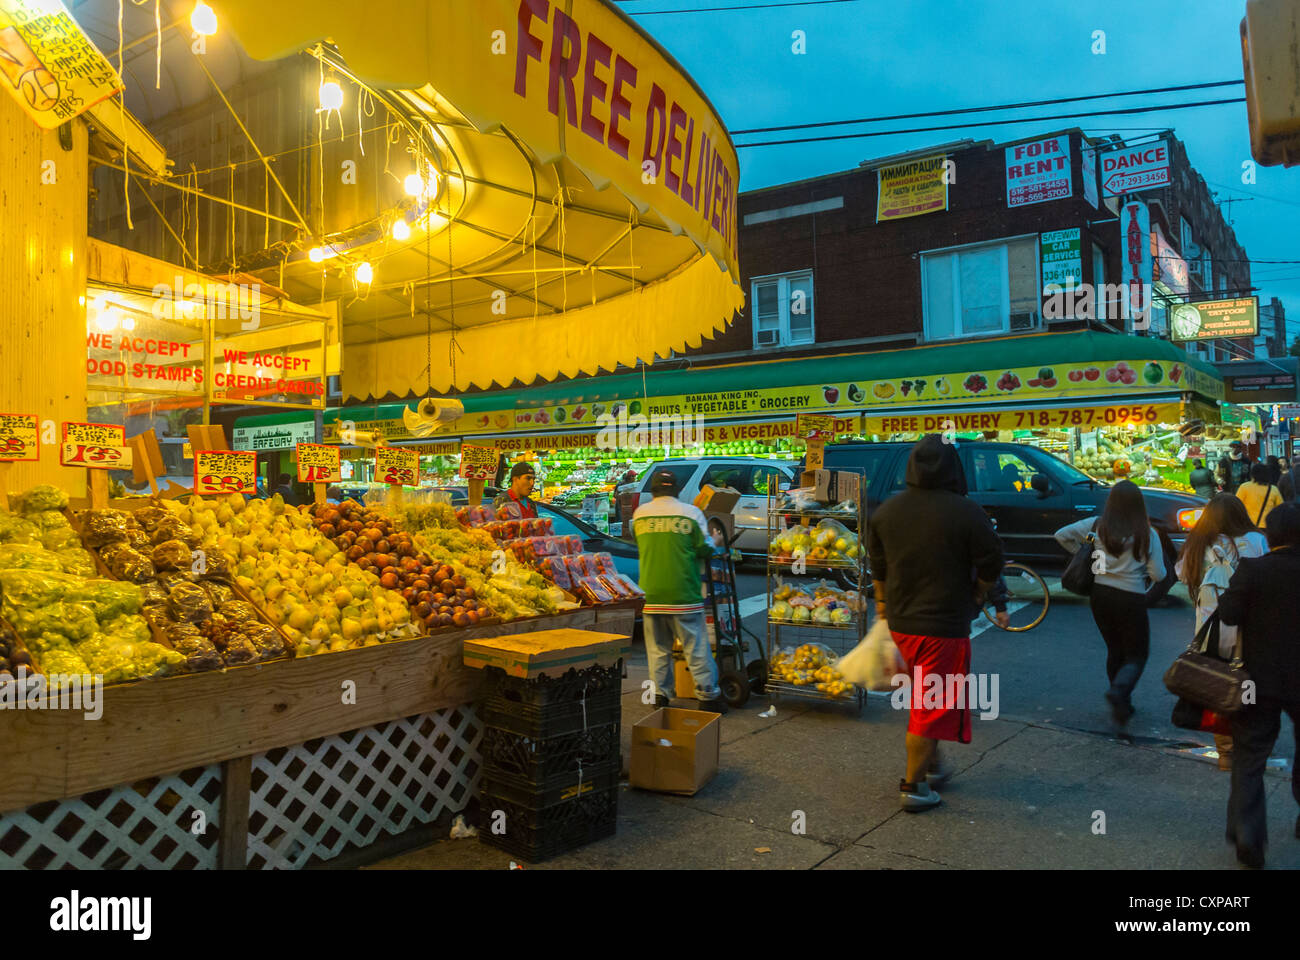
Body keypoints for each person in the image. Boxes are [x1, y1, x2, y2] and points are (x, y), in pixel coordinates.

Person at [866, 435, 1003, 812]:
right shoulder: (966, 511)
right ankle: (913, 787)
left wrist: (881, 608)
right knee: (931, 706)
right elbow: (993, 561)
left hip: (900, 625)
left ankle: (932, 765)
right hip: (942, 628)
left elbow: (877, 567)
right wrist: (979, 593)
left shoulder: (886, 512)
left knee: (923, 701)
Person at [1217, 501, 1300, 869]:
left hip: (1257, 680)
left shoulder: (1253, 569)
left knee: (1249, 756)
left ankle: (1249, 832)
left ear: (1271, 535)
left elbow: (1229, 614)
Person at [1055, 480, 1166, 724]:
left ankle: (1122, 701)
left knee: (1115, 649)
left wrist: (1086, 553)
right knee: (1137, 654)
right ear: (1139, 504)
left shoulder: (1096, 525)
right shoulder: (1147, 533)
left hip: (1101, 595)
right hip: (1131, 596)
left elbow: (1061, 535)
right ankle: (1119, 692)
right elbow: (1159, 575)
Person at [1174, 496, 1268, 771]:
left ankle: (1226, 752)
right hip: (1249, 624)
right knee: (1249, 683)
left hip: (1210, 629)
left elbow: (1182, 575)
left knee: (1218, 687)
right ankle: (1249, 744)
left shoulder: (1197, 542)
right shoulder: (1255, 539)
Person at [632, 470, 725, 712]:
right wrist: (715, 541)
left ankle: (660, 696)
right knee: (695, 647)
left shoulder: (639, 515)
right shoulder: (691, 514)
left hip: (651, 595)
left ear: (653, 490)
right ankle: (708, 697)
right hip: (684, 595)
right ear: (677, 490)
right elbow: (704, 549)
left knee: (657, 649)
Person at [1235, 462, 1283, 530]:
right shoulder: (1273, 489)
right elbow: (1280, 508)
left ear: (1252, 474)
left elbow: (1236, 505)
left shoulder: (1245, 487)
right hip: (1268, 526)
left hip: (1248, 526)